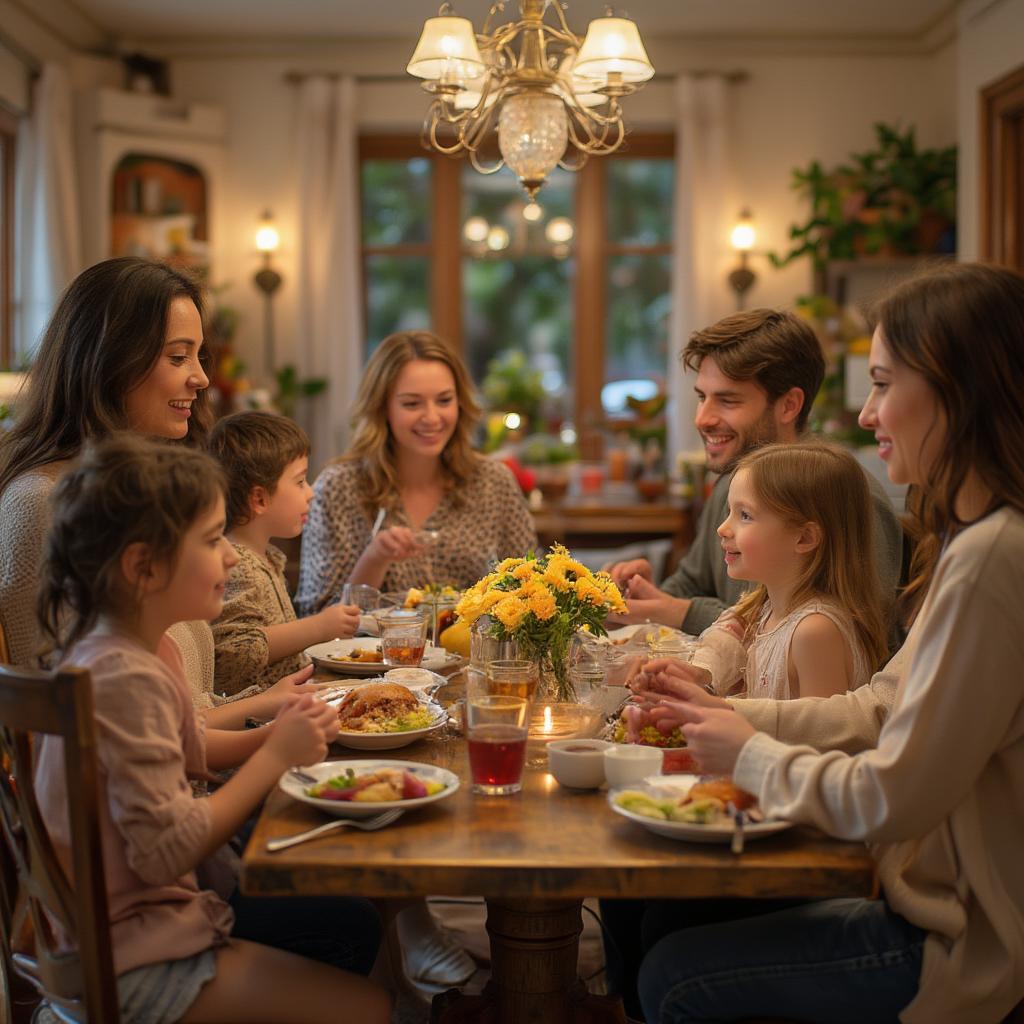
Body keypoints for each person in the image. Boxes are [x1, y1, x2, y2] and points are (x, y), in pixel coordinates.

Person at [632, 262, 1024, 1023]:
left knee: (675, 976)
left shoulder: (991, 557)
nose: (869, 411)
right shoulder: (971, 540)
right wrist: (725, 719)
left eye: (882, 383)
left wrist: (746, 751)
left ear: (956, 390)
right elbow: (881, 706)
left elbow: (892, 793)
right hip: (924, 894)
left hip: (961, 942)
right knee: (663, 919)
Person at [34, 436, 391, 1024]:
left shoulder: (141, 650)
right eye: (209, 541)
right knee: (374, 1005)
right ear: (142, 567)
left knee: (352, 921)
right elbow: (165, 850)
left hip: (135, 929)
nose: (229, 556)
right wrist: (274, 756)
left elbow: (191, 748)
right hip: (130, 961)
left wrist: (280, 727)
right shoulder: (123, 678)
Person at [605, 309, 903, 635]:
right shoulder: (732, 482)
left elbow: (850, 640)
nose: (702, 419)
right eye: (702, 397)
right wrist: (648, 593)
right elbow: (692, 584)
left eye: (727, 401)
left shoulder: (848, 497)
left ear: (789, 405)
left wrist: (684, 612)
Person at [0, 257, 212, 668]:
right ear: (109, 361)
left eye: (199, 356)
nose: (200, 378)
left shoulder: (130, 492)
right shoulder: (42, 504)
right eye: (177, 357)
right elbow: (77, 707)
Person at [623, 442, 887, 715]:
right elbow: (721, 645)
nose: (723, 528)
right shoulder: (763, 607)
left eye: (745, 515)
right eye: (730, 512)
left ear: (804, 537)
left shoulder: (815, 632)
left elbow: (821, 741)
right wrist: (691, 676)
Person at [294, 330, 537, 612]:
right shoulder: (338, 488)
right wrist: (375, 558)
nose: (432, 417)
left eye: (444, 400)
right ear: (382, 407)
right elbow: (315, 616)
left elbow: (532, 587)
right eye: (412, 403)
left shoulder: (493, 482)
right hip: (373, 654)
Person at [208, 411, 360, 696]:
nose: (311, 492)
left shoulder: (266, 559)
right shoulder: (238, 566)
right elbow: (236, 653)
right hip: (262, 720)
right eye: (300, 481)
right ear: (259, 499)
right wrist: (319, 627)